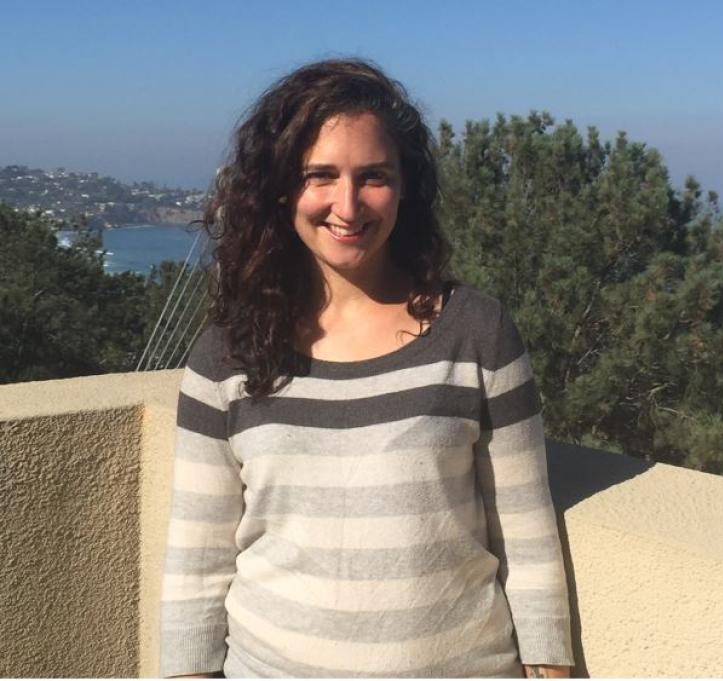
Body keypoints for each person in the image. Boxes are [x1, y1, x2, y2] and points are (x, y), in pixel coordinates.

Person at [159, 58, 573, 678]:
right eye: (319, 175)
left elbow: (526, 530)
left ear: (405, 187)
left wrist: (552, 664)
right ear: (280, 190)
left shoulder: (477, 333)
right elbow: (198, 557)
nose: (347, 206)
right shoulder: (228, 354)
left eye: (373, 176)